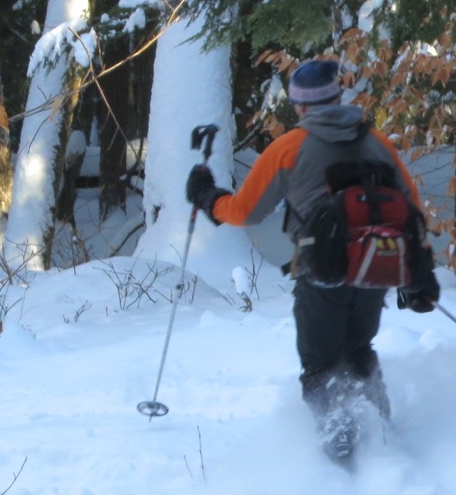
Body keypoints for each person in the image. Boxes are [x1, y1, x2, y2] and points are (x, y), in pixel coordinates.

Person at [186, 58, 440, 460]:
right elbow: (411, 206)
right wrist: (419, 269)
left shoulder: (288, 147)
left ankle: (342, 455)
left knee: (321, 365)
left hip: (321, 272)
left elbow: (245, 212)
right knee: (359, 352)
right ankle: (385, 440)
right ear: (338, 95)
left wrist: (207, 196)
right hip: (376, 267)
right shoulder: (376, 140)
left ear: (298, 104)